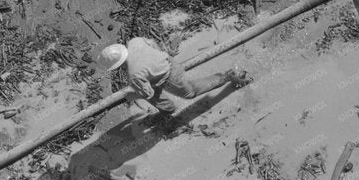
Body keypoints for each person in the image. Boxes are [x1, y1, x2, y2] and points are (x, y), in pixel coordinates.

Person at [97, 39, 248, 131]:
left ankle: (226, 76)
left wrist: (131, 95)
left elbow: (147, 94)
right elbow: (152, 43)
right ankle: (168, 109)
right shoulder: (135, 41)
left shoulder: (134, 74)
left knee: (190, 93)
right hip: (169, 61)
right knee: (150, 88)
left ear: (117, 66)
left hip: (168, 77)